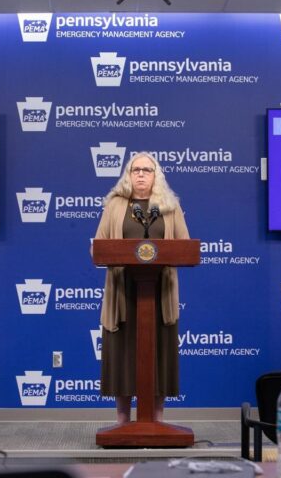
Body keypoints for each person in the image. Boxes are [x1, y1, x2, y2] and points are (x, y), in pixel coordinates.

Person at [94, 152, 189, 423]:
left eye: (147, 170)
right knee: (123, 354)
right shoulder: (115, 205)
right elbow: (99, 244)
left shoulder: (169, 205)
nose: (141, 174)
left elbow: (185, 245)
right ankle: (123, 421)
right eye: (136, 169)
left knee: (159, 354)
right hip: (123, 293)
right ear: (128, 174)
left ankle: (155, 421)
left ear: (156, 175)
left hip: (159, 294)